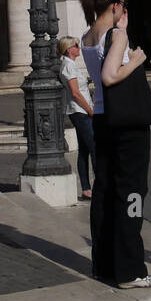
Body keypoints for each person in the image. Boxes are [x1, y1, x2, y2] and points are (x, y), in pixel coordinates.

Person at [80, 0, 151, 289]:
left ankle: (104, 265)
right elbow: (110, 75)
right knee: (132, 193)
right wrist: (138, 58)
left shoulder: (87, 36)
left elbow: (103, 68)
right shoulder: (117, 35)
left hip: (102, 119)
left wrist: (120, 30)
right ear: (115, 5)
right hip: (128, 125)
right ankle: (131, 271)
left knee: (105, 190)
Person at [59, 36, 95, 200]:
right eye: (76, 45)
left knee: (84, 150)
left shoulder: (71, 65)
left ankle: (87, 189)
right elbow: (74, 92)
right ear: (68, 49)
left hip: (81, 111)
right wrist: (90, 110)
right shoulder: (68, 66)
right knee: (95, 147)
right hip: (80, 112)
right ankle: (101, 185)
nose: (79, 48)